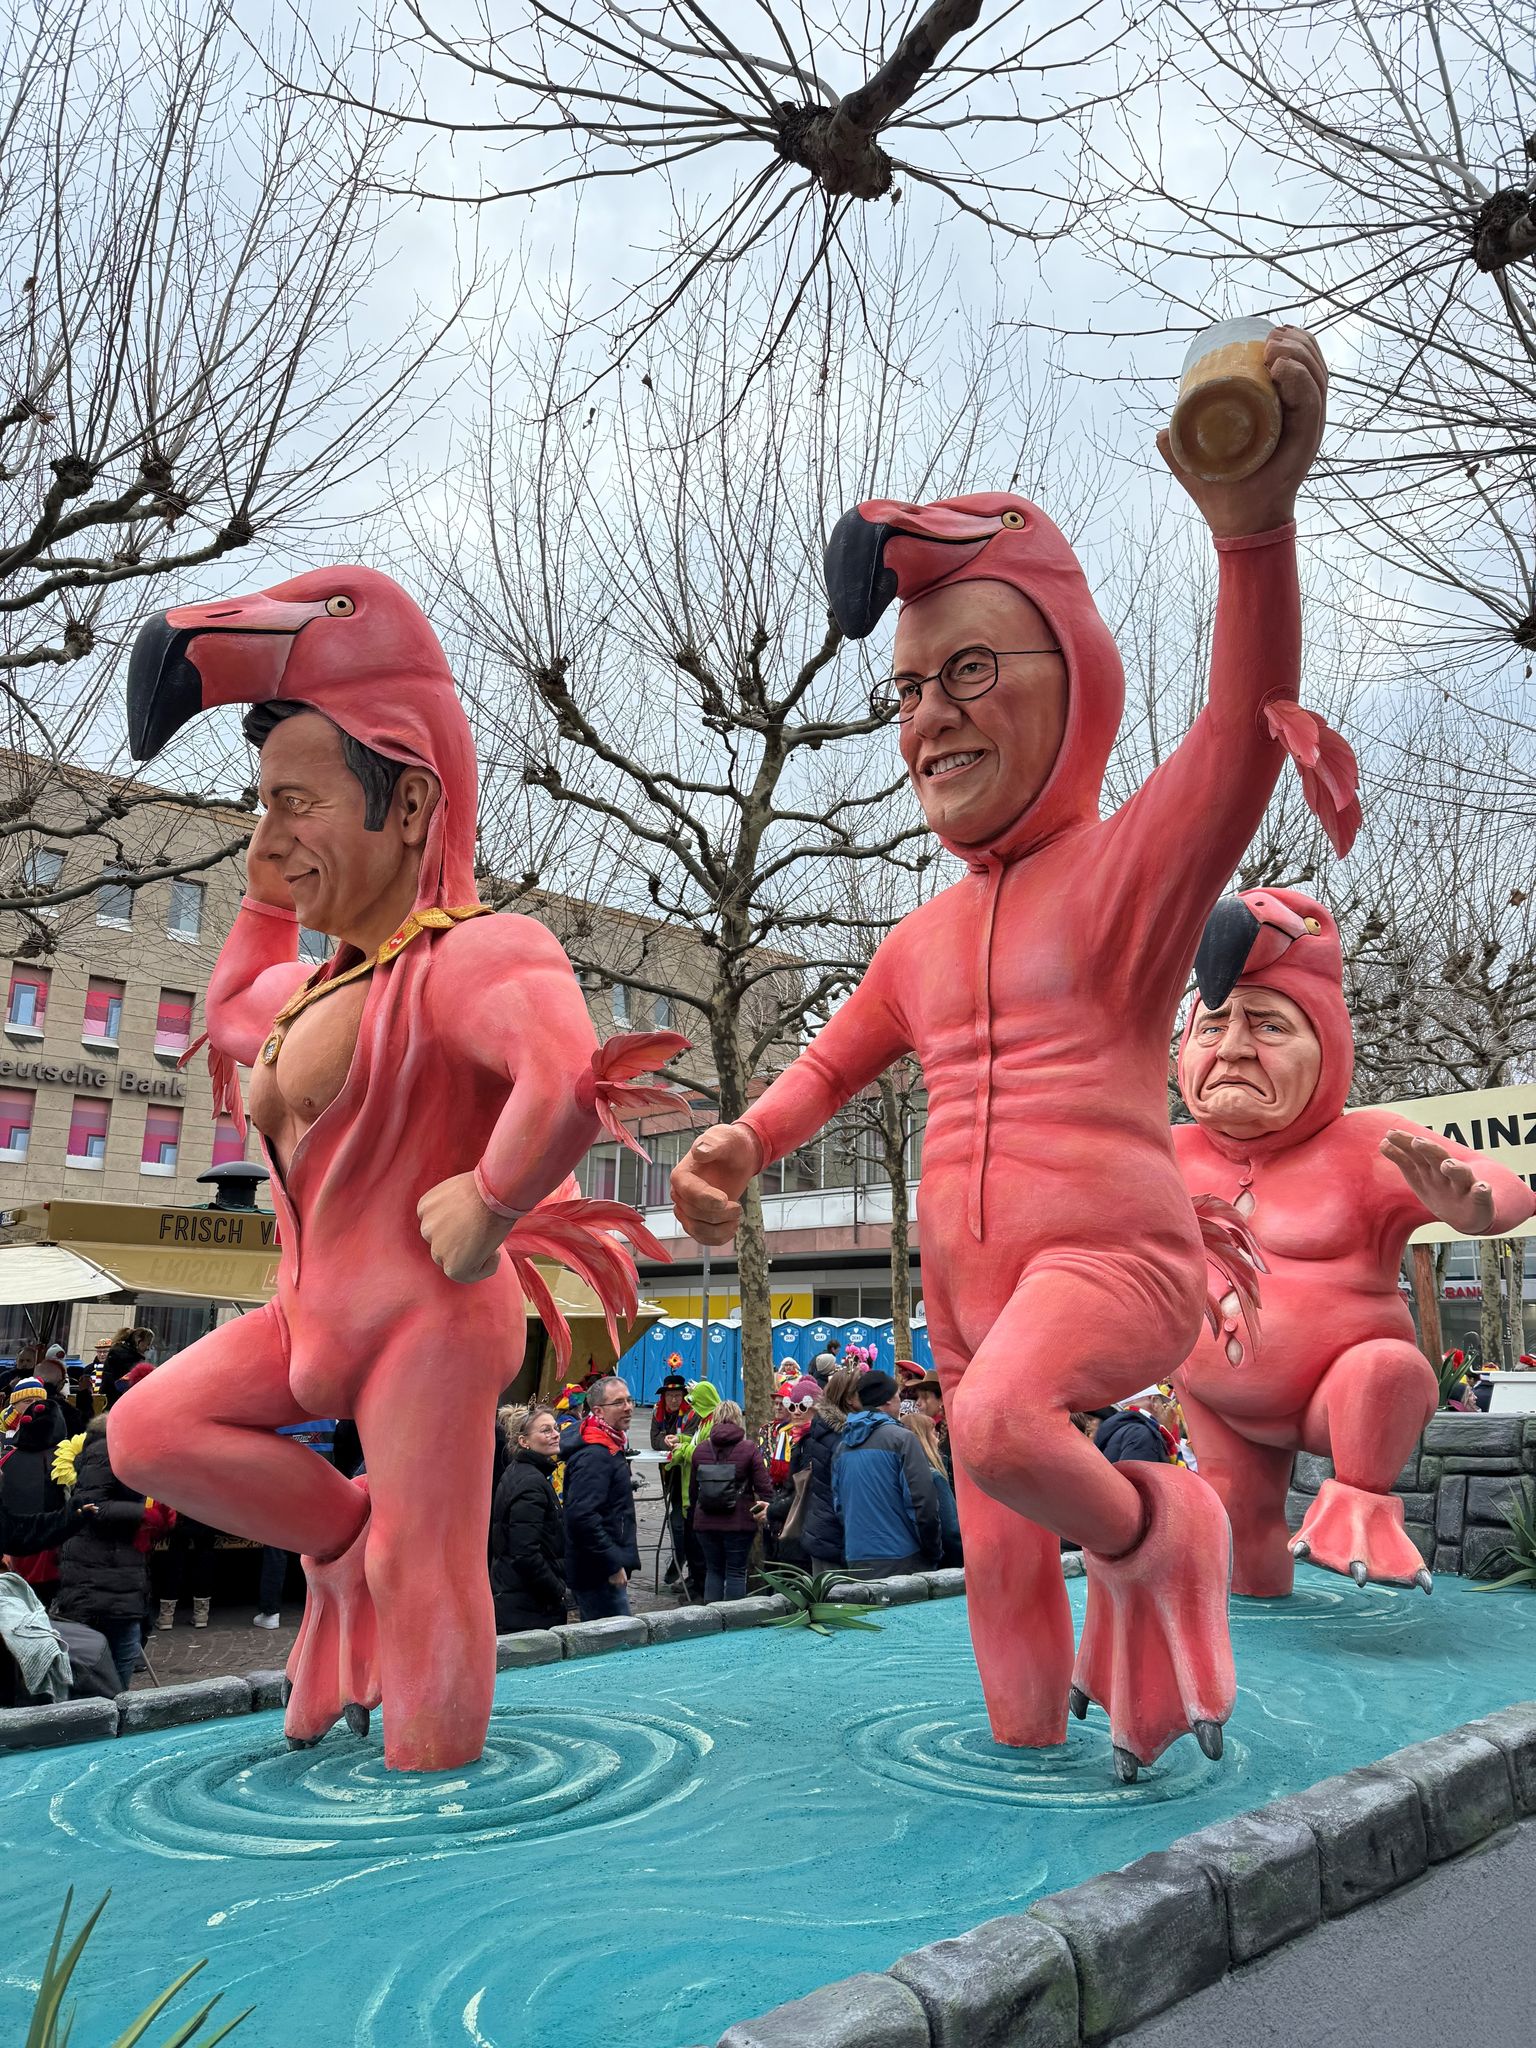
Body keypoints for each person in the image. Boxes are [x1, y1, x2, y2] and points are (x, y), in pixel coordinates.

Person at [108, 565, 681, 1771]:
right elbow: (227, 1021)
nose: (272, 837)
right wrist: (264, 904)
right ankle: (338, 1538)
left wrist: (492, 1199)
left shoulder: (475, 952)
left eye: (298, 805)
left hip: (426, 1317)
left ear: (409, 802)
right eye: (261, 807)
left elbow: (564, 1070)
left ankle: (434, 1787)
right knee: (148, 1428)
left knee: (429, 1568)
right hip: (307, 1313)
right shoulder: (314, 982)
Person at [1172, 886, 1535, 1595]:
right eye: (1212, 1026)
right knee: (1235, 1524)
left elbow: (1507, 1187)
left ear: (1327, 1046)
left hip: (1336, 1402)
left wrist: (1468, 1209)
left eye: (1271, 1028)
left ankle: (1364, 1500)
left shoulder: (1368, 1144)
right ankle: (1256, 1621)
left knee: (1388, 1368)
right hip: (1216, 1400)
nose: (1235, 1048)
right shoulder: (1168, 1150)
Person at [52, 1416, 154, 1692]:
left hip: (118, 1572)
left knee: (122, 1651)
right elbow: (94, 1507)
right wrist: (145, 1514)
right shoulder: (104, 1452)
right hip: (98, 1575)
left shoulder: (115, 1452)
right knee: (109, 1661)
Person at [831, 1371, 942, 1578]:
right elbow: (922, 1503)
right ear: (889, 1399)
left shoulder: (842, 1447)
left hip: (857, 1558)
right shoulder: (903, 1440)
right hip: (904, 1558)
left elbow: (840, 1506)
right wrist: (933, 1551)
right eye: (898, 1396)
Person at [561, 1376, 640, 1620]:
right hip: (597, 1574)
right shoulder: (595, 1454)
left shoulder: (609, 1443)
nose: (627, 1407)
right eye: (618, 1403)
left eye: (629, 1400)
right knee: (616, 1645)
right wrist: (612, 1563)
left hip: (601, 1569)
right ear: (598, 1411)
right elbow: (582, 1516)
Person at [489, 1404, 568, 1633]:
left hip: (522, 1599)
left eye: (555, 1428)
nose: (555, 1434)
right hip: (528, 1606)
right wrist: (558, 1589)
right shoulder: (531, 1483)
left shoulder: (524, 1473)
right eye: (545, 1430)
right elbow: (524, 1553)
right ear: (524, 1441)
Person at [689, 1398, 770, 1601]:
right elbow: (764, 1486)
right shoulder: (748, 1449)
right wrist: (771, 1508)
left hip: (705, 1522)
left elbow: (692, 1491)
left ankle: (713, 1623)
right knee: (735, 1571)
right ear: (738, 1420)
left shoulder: (700, 1450)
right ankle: (734, 1625)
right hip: (739, 1522)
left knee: (713, 1571)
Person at [789, 1363, 861, 1576]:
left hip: (819, 1531)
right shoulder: (842, 1438)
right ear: (849, 1398)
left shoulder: (819, 1432)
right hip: (835, 1535)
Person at [901, 1411, 963, 1567]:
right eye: (932, 1433)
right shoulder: (934, 1477)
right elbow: (951, 1531)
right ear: (923, 1438)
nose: (937, 1439)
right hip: (945, 1563)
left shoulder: (900, 1475)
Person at [1092, 1404, 1171, 1465]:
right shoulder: (1140, 1433)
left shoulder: (1120, 1430)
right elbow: (1136, 1479)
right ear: (1155, 1403)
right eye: (1164, 1405)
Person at [102, 1327, 155, 1407]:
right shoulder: (129, 1358)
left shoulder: (119, 1353)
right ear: (139, 1341)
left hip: (111, 1400)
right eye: (147, 1344)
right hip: (118, 1400)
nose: (148, 1348)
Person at [650, 1371, 692, 1451]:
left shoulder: (691, 1414)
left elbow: (692, 1439)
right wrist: (667, 1442)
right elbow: (654, 1441)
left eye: (677, 1395)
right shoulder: (657, 1412)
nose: (673, 1400)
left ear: (684, 1397)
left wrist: (679, 1441)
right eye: (669, 1395)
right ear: (664, 1397)